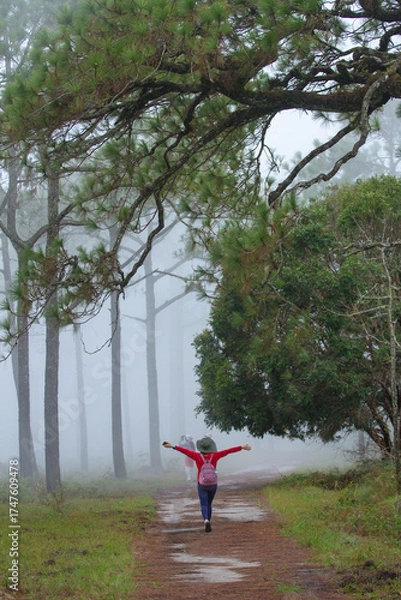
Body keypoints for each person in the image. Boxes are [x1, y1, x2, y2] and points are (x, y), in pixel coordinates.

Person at [162, 436, 251, 532]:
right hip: (213, 483)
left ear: (201, 448)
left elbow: (184, 451)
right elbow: (228, 451)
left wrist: (172, 446)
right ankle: (209, 519)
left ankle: (206, 520)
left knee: (203, 503)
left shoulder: (196, 456)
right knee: (209, 503)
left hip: (202, 483)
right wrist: (241, 447)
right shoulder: (216, 455)